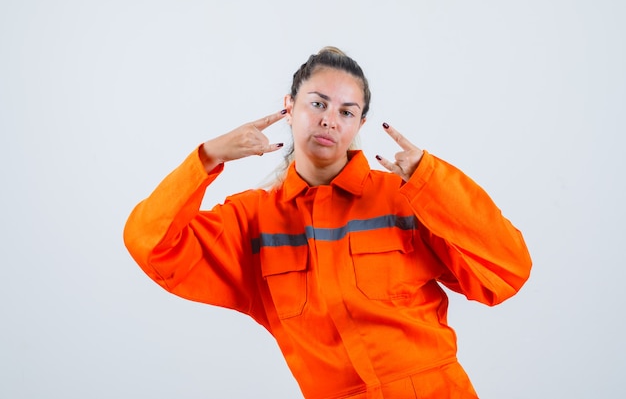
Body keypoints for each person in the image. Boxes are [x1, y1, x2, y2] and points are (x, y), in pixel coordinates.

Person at [123, 46, 532, 399]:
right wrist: (209, 157)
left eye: (346, 111)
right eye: (317, 103)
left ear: (359, 125)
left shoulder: (401, 198)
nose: (329, 120)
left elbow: (507, 268)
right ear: (289, 106)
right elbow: (151, 243)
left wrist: (432, 180)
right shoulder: (253, 221)